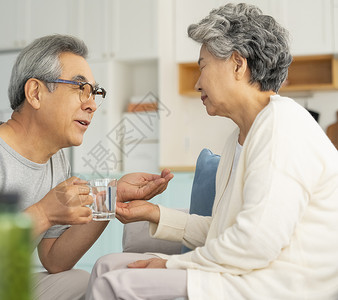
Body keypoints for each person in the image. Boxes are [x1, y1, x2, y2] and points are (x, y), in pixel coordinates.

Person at [86, 3, 338, 300]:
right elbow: (224, 230)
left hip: (276, 283)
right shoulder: (241, 136)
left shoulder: (281, 127)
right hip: (249, 270)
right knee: (106, 266)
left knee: (113, 283)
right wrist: (154, 213)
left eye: (202, 65)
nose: (197, 82)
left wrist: (173, 264)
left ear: (237, 64)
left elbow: (255, 244)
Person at [0, 34, 173, 300]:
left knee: (83, 282)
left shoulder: (55, 161)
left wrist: (110, 199)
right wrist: (43, 213)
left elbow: (54, 258)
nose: (91, 104)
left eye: (95, 92)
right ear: (35, 93)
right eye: (81, 89)